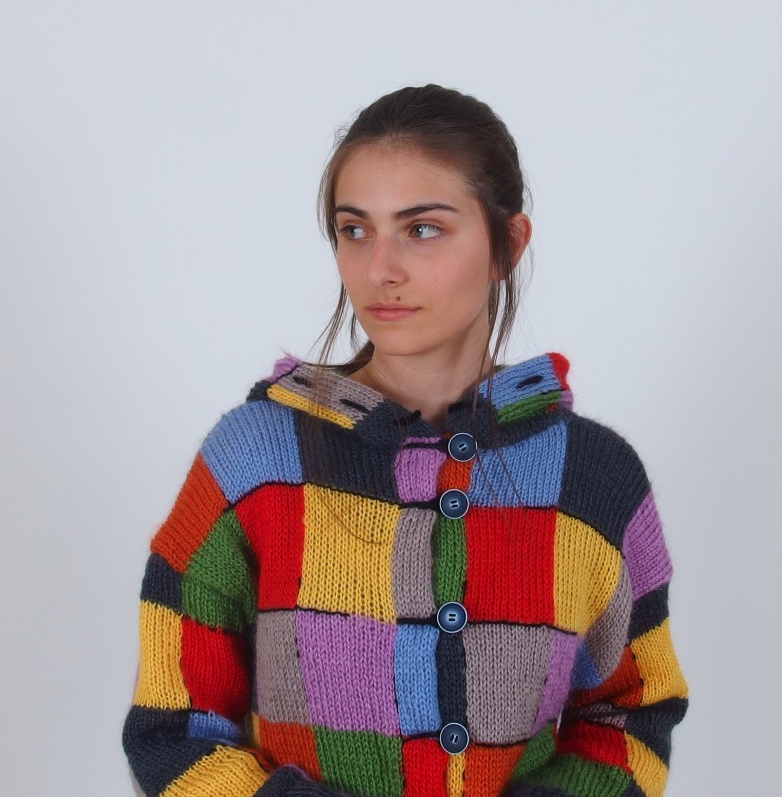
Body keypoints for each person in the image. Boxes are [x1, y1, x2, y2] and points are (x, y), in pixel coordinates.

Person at [123, 84, 688, 797]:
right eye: (355, 230)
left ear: (507, 246)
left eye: (422, 229)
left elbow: (628, 714)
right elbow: (173, 726)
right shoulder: (255, 461)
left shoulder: (594, 476)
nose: (379, 270)